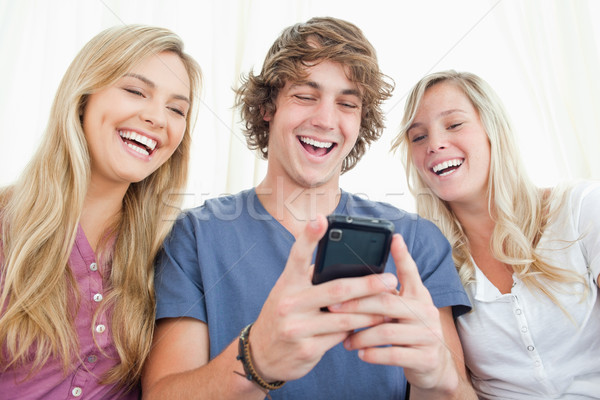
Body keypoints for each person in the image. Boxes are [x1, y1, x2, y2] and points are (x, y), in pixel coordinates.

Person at [142, 17, 475, 400]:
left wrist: (439, 379)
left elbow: (457, 392)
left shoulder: (416, 243)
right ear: (268, 107)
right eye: (305, 95)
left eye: (347, 103)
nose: (325, 119)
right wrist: (255, 361)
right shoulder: (196, 237)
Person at [0, 25, 201, 399]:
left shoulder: (171, 253)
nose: (158, 118)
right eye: (135, 91)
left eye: (176, 109)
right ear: (83, 98)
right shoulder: (7, 224)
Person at [392, 70, 600, 399]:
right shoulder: (430, 261)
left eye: (454, 124)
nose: (435, 144)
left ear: (493, 130)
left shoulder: (581, 209)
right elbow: (452, 389)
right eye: (418, 137)